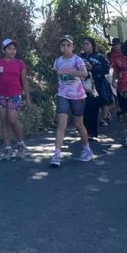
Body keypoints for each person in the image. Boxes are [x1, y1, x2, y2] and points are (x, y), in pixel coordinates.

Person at [50, 35, 93, 167]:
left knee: (78, 124)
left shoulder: (77, 59)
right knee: (61, 125)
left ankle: (87, 149)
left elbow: (84, 73)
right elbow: (57, 75)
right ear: (60, 47)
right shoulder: (58, 61)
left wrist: (69, 72)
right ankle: (57, 154)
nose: (65, 48)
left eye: (68, 45)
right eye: (63, 45)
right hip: (63, 95)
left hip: (78, 96)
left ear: (73, 47)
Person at [78, 37, 112, 141]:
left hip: (96, 86)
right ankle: (84, 132)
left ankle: (91, 132)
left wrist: (93, 68)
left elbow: (106, 70)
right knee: (83, 109)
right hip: (82, 86)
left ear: (92, 46)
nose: (84, 46)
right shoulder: (80, 57)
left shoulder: (99, 57)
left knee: (93, 109)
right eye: (83, 44)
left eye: (87, 44)